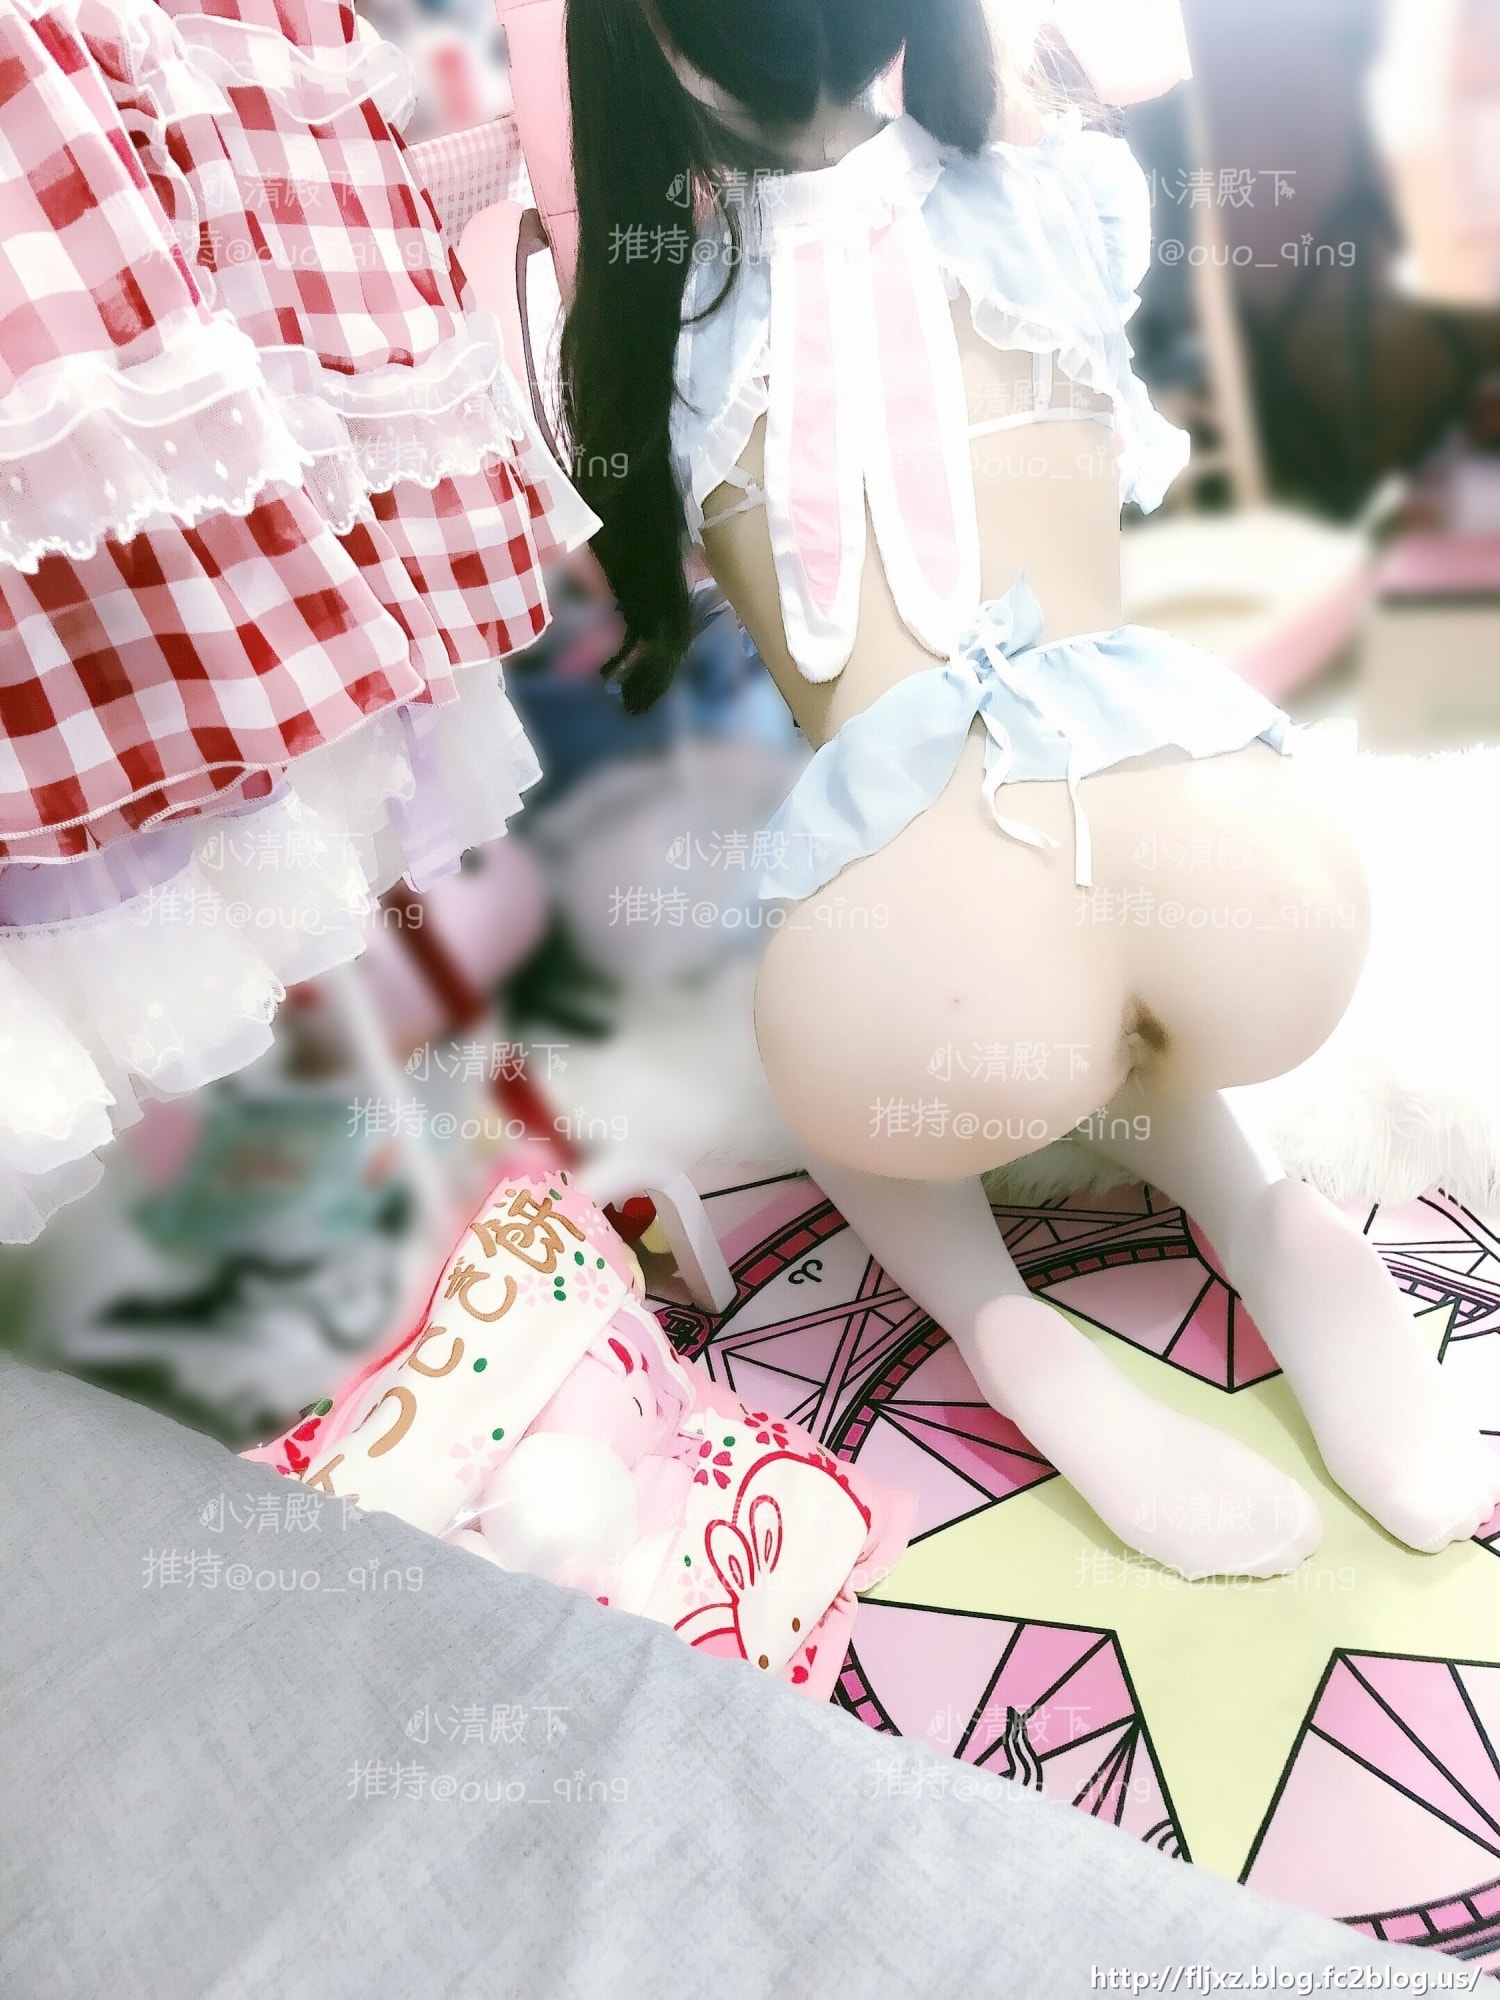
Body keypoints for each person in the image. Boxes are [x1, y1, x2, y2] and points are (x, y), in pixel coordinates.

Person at [558, 0, 1500, 1577]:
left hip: (941, 971)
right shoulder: (1064, 188)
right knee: (1108, 961)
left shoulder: (645, 309)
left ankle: (1006, 1328)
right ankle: (1270, 1217)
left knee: (880, 1000)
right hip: (1248, 871)